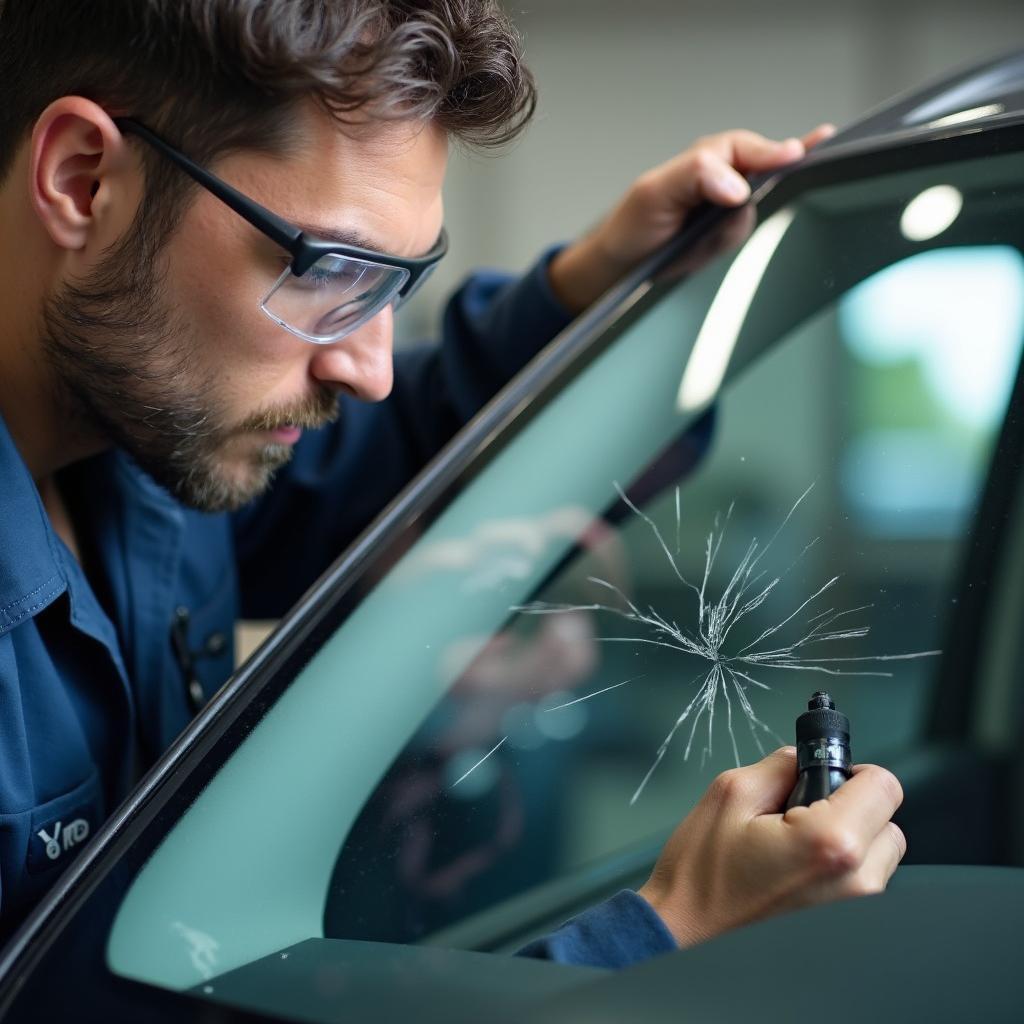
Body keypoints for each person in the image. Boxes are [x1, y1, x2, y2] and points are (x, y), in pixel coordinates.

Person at [0, 0, 905, 965]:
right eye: (328, 268)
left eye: (395, 286)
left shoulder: (149, 444)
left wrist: (595, 287)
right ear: (83, 181)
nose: (371, 369)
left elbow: (384, 455)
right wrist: (660, 941)